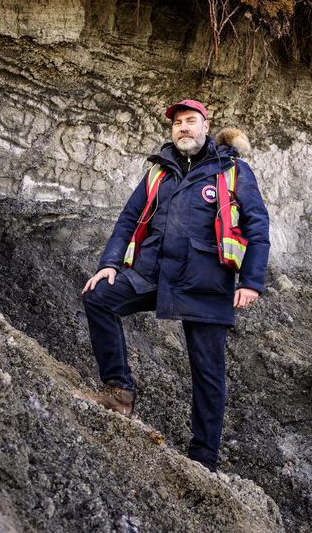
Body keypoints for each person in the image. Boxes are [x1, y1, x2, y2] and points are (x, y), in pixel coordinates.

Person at [80, 99, 270, 472]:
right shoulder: (158, 172)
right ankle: (118, 392)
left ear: (205, 126)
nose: (182, 127)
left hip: (206, 282)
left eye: (190, 121)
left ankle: (203, 461)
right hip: (154, 272)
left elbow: (257, 228)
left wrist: (251, 282)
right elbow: (128, 219)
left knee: (208, 373)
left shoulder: (232, 170)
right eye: (177, 123)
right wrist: (109, 264)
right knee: (99, 298)